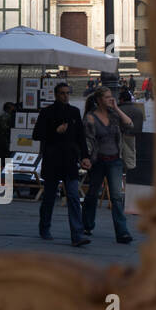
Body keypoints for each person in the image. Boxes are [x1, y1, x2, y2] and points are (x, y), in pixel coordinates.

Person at [33, 82, 91, 246]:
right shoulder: (47, 112)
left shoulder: (74, 112)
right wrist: (54, 132)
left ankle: (77, 235)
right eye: (62, 93)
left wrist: (85, 156)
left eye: (67, 93)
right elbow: (36, 134)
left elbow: (81, 137)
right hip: (52, 160)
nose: (65, 96)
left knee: (73, 196)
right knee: (50, 197)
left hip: (70, 160)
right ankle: (44, 227)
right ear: (56, 95)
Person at [81, 86, 135, 243]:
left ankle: (122, 232)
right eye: (107, 97)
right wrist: (86, 159)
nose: (110, 99)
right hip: (98, 161)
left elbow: (129, 124)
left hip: (115, 161)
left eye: (111, 96)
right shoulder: (90, 117)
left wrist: (117, 108)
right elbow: (87, 141)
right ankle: (87, 225)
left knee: (117, 197)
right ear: (98, 100)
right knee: (92, 194)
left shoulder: (114, 115)